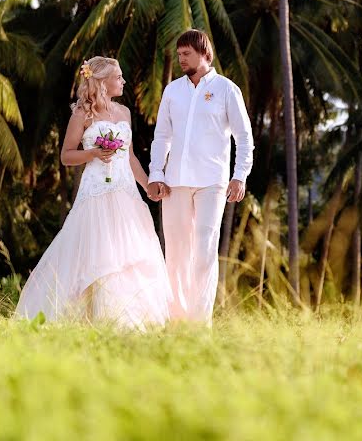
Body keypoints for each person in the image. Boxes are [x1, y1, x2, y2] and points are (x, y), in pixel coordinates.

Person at [15, 57, 171, 330]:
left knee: (127, 255)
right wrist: (94, 154)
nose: (123, 81)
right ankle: (84, 318)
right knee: (96, 253)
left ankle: (127, 322)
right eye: (118, 77)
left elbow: (131, 157)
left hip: (126, 193)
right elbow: (66, 156)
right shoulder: (81, 115)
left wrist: (147, 186)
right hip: (96, 193)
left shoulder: (124, 114)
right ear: (102, 82)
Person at [148, 29, 254, 324]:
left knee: (205, 251)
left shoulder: (226, 89)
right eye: (179, 54)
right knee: (177, 252)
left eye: (187, 54)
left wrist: (240, 176)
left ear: (204, 54)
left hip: (212, 182)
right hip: (174, 183)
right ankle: (177, 320)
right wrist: (156, 173)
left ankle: (199, 325)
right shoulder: (172, 90)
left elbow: (244, 139)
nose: (181, 59)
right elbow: (162, 137)